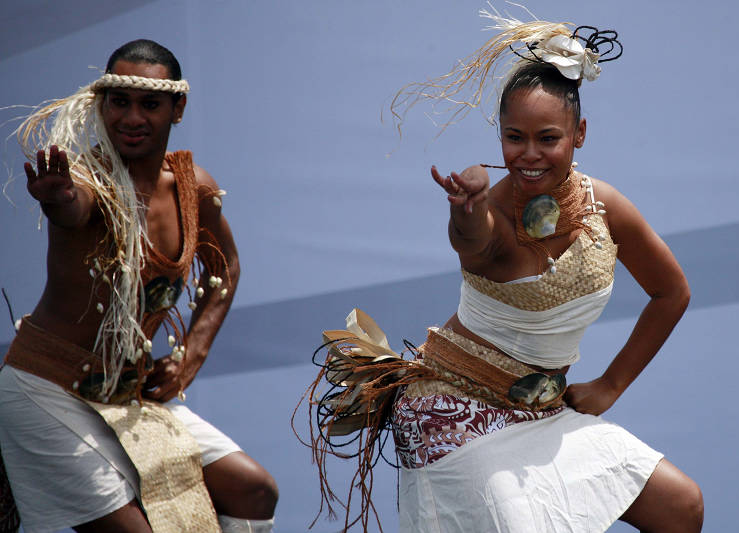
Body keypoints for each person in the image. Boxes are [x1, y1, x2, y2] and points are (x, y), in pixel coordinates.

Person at [304, 10, 703, 533]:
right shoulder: (489, 212)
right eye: (515, 137)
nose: (529, 154)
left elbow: (671, 292)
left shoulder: (605, 208)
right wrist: (464, 210)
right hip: (451, 407)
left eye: (548, 138)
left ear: (579, 133)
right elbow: (472, 241)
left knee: (681, 506)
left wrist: (611, 384)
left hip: (545, 412)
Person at [0, 40, 277, 533]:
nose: (131, 117)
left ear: (178, 109)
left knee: (254, 490)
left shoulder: (193, 187)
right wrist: (57, 200)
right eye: (119, 102)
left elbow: (226, 267)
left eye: (149, 104)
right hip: (45, 389)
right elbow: (74, 207)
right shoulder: (86, 180)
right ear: (101, 105)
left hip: (128, 395)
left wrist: (191, 356)